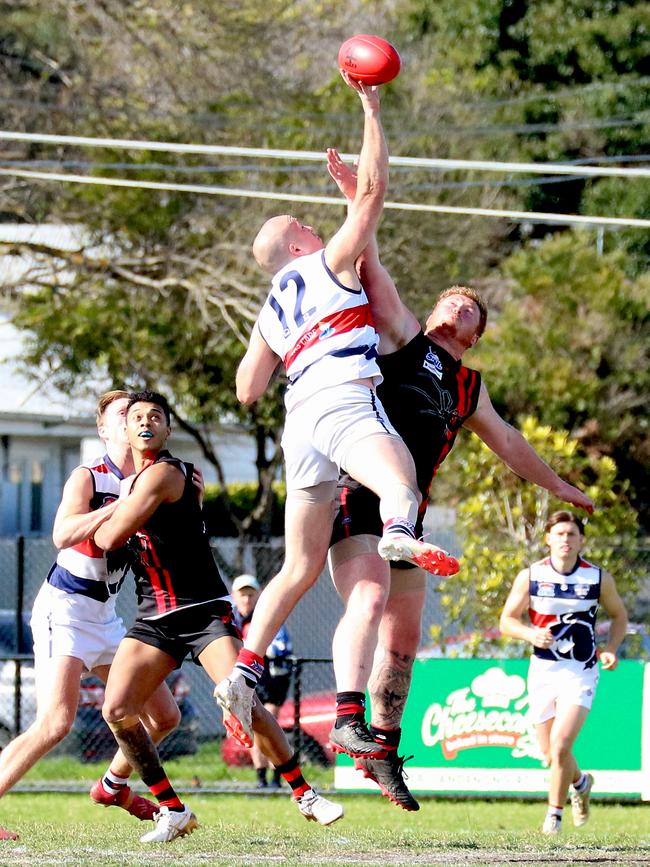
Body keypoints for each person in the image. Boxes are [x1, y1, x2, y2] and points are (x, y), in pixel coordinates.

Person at [322, 149, 596, 810]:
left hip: (408, 515)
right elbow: (368, 265)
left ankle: (382, 750)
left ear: (475, 332)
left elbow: (509, 440)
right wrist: (357, 201)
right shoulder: (403, 338)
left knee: (406, 637)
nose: (455, 303)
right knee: (365, 601)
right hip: (361, 489)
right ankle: (347, 714)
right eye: (449, 297)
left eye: (467, 305)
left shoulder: (469, 385)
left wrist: (556, 485)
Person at [215, 72, 459, 754]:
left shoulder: (270, 304)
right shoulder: (327, 261)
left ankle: (243, 668)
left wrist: (278, 342)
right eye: (303, 225)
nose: (314, 225)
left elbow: (245, 389)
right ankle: (399, 533)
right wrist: (371, 110)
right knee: (402, 482)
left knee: (297, 565)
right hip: (342, 393)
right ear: (298, 245)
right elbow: (376, 192)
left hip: (300, 422)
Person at [94, 391, 343, 844]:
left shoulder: (167, 474)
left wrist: (86, 517)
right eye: (136, 418)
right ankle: (172, 808)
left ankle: (305, 793)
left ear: (169, 430)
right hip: (154, 615)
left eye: (156, 417)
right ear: (124, 430)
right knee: (116, 709)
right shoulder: (133, 482)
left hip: (203, 610)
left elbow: (110, 536)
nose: (146, 422)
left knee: (242, 700)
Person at [0, 390, 181, 843]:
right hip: (64, 608)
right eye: (121, 414)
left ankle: (112, 786)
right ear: (103, 429)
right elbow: (62, 532)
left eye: (138, 414)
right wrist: (125, 505)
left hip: (106, 616)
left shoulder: (151, 478)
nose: (131, 420)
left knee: (164, 716)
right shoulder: (89, 476)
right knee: (55, 723)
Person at [500, 511, 627, 835]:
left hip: (580, 670)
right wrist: (530, 634)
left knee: (560, 745)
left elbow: (619, 617)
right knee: (550, 754)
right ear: (548, 539)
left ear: (581, 540)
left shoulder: (597, 578)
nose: (565, 540)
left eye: (571, 534)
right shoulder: (531, 575)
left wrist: (611, 648)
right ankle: (581, 782)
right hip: (543, 670)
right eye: (559, 534)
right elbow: (507, 622)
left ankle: (553, 818)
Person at [230, 574, 293, 788]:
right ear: (234, 597)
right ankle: (261, 779)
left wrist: (249, 645)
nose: (247, 599)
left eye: (250, 594)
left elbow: (279, 647)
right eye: (242, 595)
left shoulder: (266, 616)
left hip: (272, 676)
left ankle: (277, 777)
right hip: (248, 676)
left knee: (268, 723)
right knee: (254, 727)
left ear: (257, 596)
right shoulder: (231, 619)